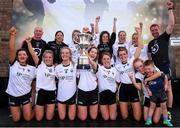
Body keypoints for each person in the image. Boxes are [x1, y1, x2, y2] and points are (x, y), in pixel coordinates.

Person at [148, 0, 174, 120]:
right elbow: (149, 58)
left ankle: (168, 111)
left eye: (156, 29)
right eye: (152, 30)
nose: (154, 31)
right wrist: (151, 68)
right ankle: (159, 108)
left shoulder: (164, 36)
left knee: (168, 88)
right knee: (158, 88)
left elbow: (171, 25)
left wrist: (170, 9)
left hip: (164, 67)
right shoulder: (150, 43)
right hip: (155, 69)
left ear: (159, 29)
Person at [6, 27, 36, 122]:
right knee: (16, 120)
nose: (22, 56)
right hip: (13, 95)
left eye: (24, 54)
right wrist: (12, 35)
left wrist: (29, 43)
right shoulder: (13, 64)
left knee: (27, 118)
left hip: (25, 95)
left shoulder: (32, 69)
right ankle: (20, 109)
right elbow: (11, 49)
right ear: (17, 57)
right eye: (20, 55)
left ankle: (38, 109)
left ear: (27, 57)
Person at [115, 27, 142, 121]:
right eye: (120, 55)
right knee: (125, 117)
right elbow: (117, 81)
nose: (123, 56)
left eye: (124, 54)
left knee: (138, 118)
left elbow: (139, 47)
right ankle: (128, 109)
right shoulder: (117, 66)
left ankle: (133, 109)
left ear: (127, 54)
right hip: (123, 89)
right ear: (118, 56)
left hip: (133, 87)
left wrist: (139, 33)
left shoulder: (131, 61)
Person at [21, 26, 47, 106]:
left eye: (40, 31)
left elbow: (46, 56)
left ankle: (33, 105)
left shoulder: (44, 43)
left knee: (35, 87)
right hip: (28, 68)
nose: (38, 32)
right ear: (34, 32)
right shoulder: (27, 41)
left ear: (42, 33)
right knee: (25, 86)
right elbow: (22, 53)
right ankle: (22, 105)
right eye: (37, 31)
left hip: (38, 69)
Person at [144, 60, 173, 127]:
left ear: (153, 67)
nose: (148, 70)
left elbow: (165, 77)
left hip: (161, 93)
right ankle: (149, 119)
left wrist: (166, 85)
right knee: (152, 107)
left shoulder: (159, 73)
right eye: (146, 69)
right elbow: (146, 85)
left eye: (149, 69)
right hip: (153, 94)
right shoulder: (146, 77)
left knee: (164, 107)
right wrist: (149, 91)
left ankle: (166, 120)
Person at [133, 58, 162, 123]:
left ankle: (162, 110)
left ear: (143, 63)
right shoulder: (137, 75)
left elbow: (159, 73)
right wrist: (133, 81)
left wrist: (146, 79)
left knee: (155, 121)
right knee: (146, 119)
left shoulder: (150, 67)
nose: (140, 69)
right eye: (137, 68)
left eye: (141, 66)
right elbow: (140, 88)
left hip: (157, 96)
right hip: (147, 97)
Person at [96, 52, 120, 120]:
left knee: (112, 118)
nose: (106, 61)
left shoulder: (114, 70)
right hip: (102, 94)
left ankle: (114, 111)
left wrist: (115, 89)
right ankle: (102, 109)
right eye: (104, 59)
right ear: (101, 60)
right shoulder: (99, 68)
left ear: (110, 59)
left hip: (111, 94)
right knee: (106, 118)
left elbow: (117, 81)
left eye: (108, 59)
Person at [77, 47, 99, 120]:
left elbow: (94, 66)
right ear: (88, 52)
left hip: (93, 90)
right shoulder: (81, 61)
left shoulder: (96, 64)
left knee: (93, 117)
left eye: (95, 53)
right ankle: (79, 110)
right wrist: (83, 55)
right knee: (83, 118)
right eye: (92, 52)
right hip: (82, 90)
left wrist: (87, 56)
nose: (94, 54)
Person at [55, 47, 76, 120]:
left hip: (72, 95)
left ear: (70, 55)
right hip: (61, 95)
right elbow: (56, 80)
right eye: (63, 53)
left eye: (67, 53)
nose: (65, 54)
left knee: (71, 119)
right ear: (60, 55)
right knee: (62, 118)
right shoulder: (57, 67)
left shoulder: (75, 66)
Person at [34, 50, 56, 121]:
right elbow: (33, 54)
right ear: (43, 58)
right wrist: (28, 43)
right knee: (39, 118)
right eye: (46, 57)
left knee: (49, 118)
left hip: (51, 92)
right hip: (41, 92)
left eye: (50, 57)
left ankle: (50, 109)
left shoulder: (56, 68)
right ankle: (37, 109)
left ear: (53, 58)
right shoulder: (40, 65)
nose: (48, 59)